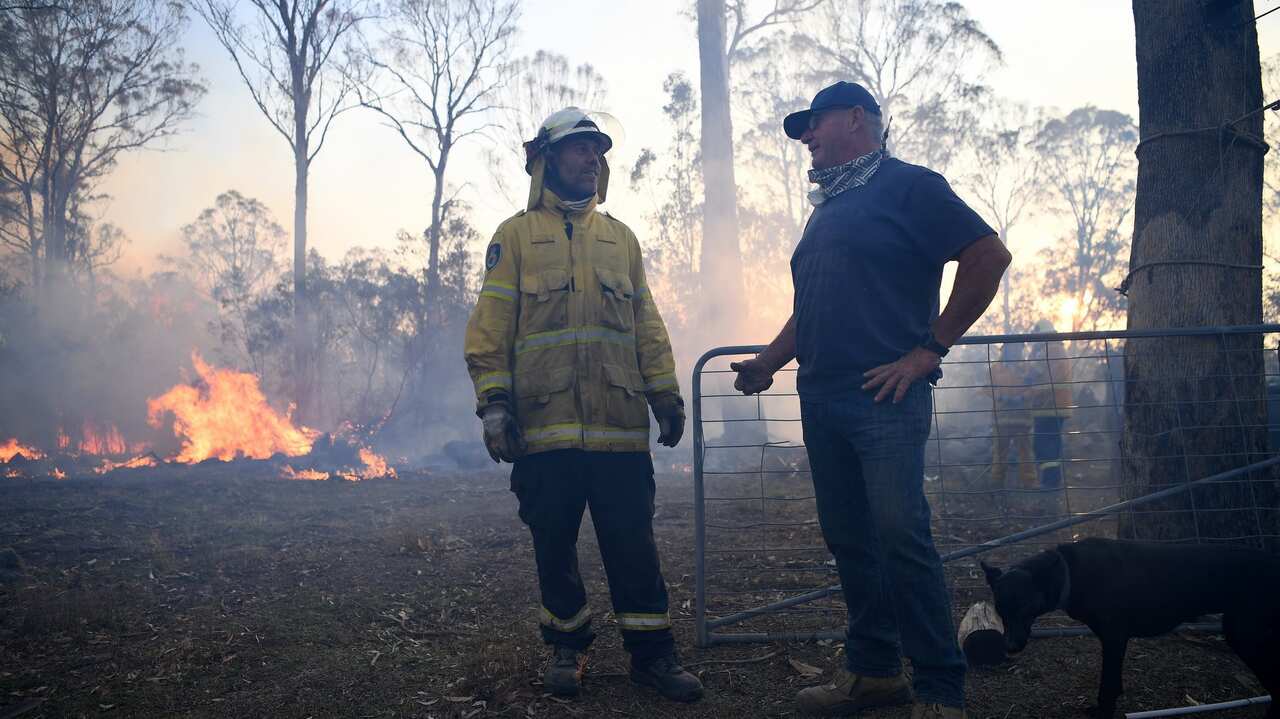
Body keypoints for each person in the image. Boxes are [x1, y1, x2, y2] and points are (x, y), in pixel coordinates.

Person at [730, 82, 1011, 719]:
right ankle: (875, 674)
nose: (806, 136)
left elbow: (989, 257)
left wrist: (930, 349)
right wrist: (769, 362)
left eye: (814, 123)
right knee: (851, 540)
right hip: (821, 396)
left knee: (900, 537)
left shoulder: (910, 186)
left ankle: (941, 690)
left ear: (857, 119)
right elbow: (814, 307)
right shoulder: (826, 209)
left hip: (884, 398)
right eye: (802, 129)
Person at [463, 108, 702, 703]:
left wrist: (664, 392)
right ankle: (567, 647)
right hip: (544, 434)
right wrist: (494, 403)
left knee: (633, 544)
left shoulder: (621, 239)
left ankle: (652, 656)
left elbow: (645, 322)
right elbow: (491, 326)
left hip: (619, 432)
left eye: (597, 149)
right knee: (553, 543)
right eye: (578, 149)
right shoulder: (513, 237)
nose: (591, 158)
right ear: (547, 160)